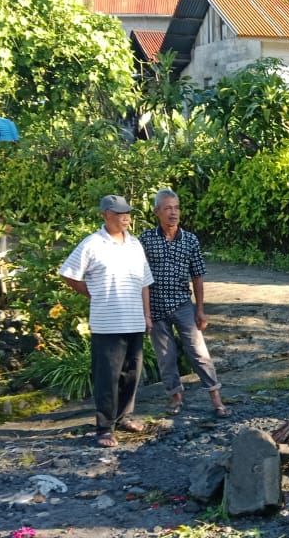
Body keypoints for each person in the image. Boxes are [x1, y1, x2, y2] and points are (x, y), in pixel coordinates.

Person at [59, 195, 154, 448]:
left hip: (134, 320)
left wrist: (147, 315)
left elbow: (145, 282)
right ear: (105, 215)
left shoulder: (135, 244)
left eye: (128, 213)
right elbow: (68, 274)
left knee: (131, 374)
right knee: (107, 376)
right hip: (107, 322)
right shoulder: (92, 244)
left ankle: (124, 417)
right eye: (119, 213)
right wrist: (93, 293)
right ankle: (104, 428)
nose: (125, 217)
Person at [140, 188, 229, 418]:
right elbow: (140, 279)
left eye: (176, 208)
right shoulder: (146, 240)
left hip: (182, 305)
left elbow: (197, 276)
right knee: (165, 357)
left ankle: (216, 398)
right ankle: (175, 398)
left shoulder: (190, 240)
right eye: (168, 208)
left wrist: (200, 309)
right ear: (156, 212)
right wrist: (146, 313)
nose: (173, 213)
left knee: (198, 352)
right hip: (156, 308)